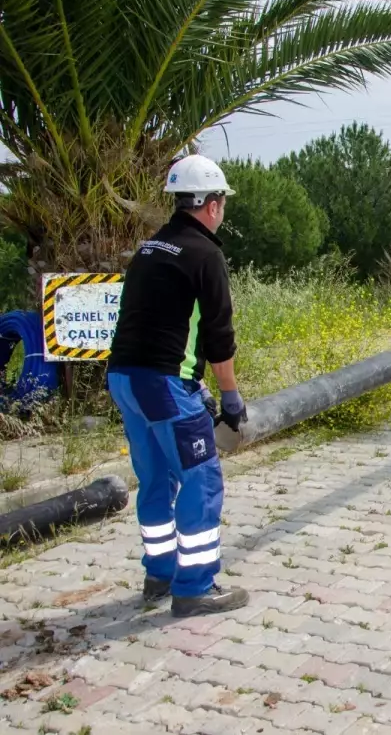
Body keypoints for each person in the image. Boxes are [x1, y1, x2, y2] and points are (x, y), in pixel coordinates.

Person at [106, 154, 248, 618]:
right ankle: (195, 587)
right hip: (163, 385)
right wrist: (228, 396)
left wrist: (196, 387)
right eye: (222, 200)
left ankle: (159, 574)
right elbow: (218, 338)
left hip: (125, 379)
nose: (223, 208)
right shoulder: (206, 254)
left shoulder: (149, 249)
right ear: (209, 204)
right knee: (200, 480)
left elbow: (157, 325)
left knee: (155, 479)